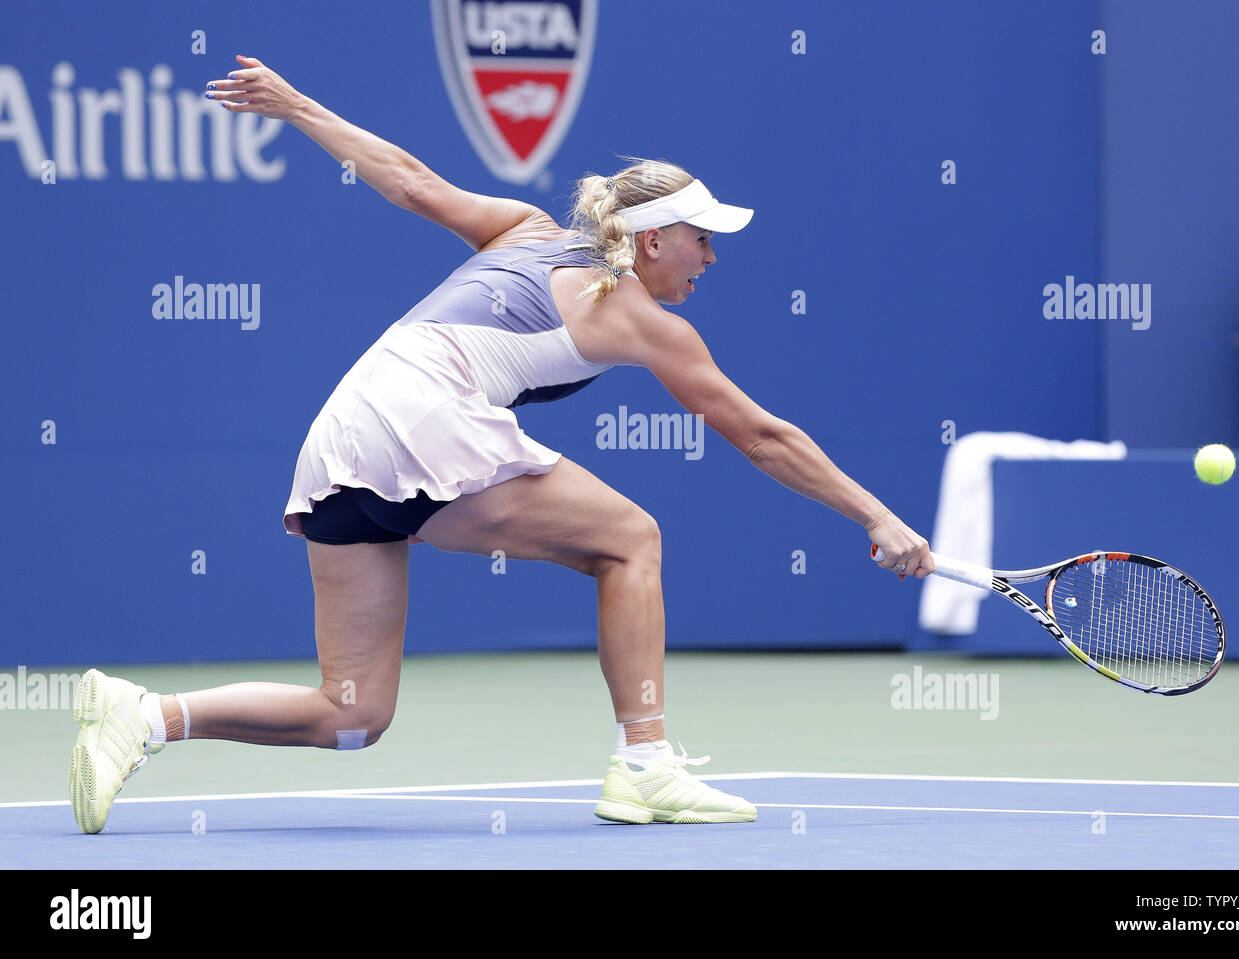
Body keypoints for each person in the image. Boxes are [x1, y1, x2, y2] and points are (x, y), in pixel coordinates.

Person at [69, 55, 935, 834]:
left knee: (354, 712)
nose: (711, 256)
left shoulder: (520, 227)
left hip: (343, 433)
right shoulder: (639, 315)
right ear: (651, 239)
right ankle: (646, 765)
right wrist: (878, 517)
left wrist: (298, 106)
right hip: (422, 416)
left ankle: (141, 717)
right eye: (703, 239)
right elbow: (761, 435)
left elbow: (407, 182)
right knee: (631, 539)